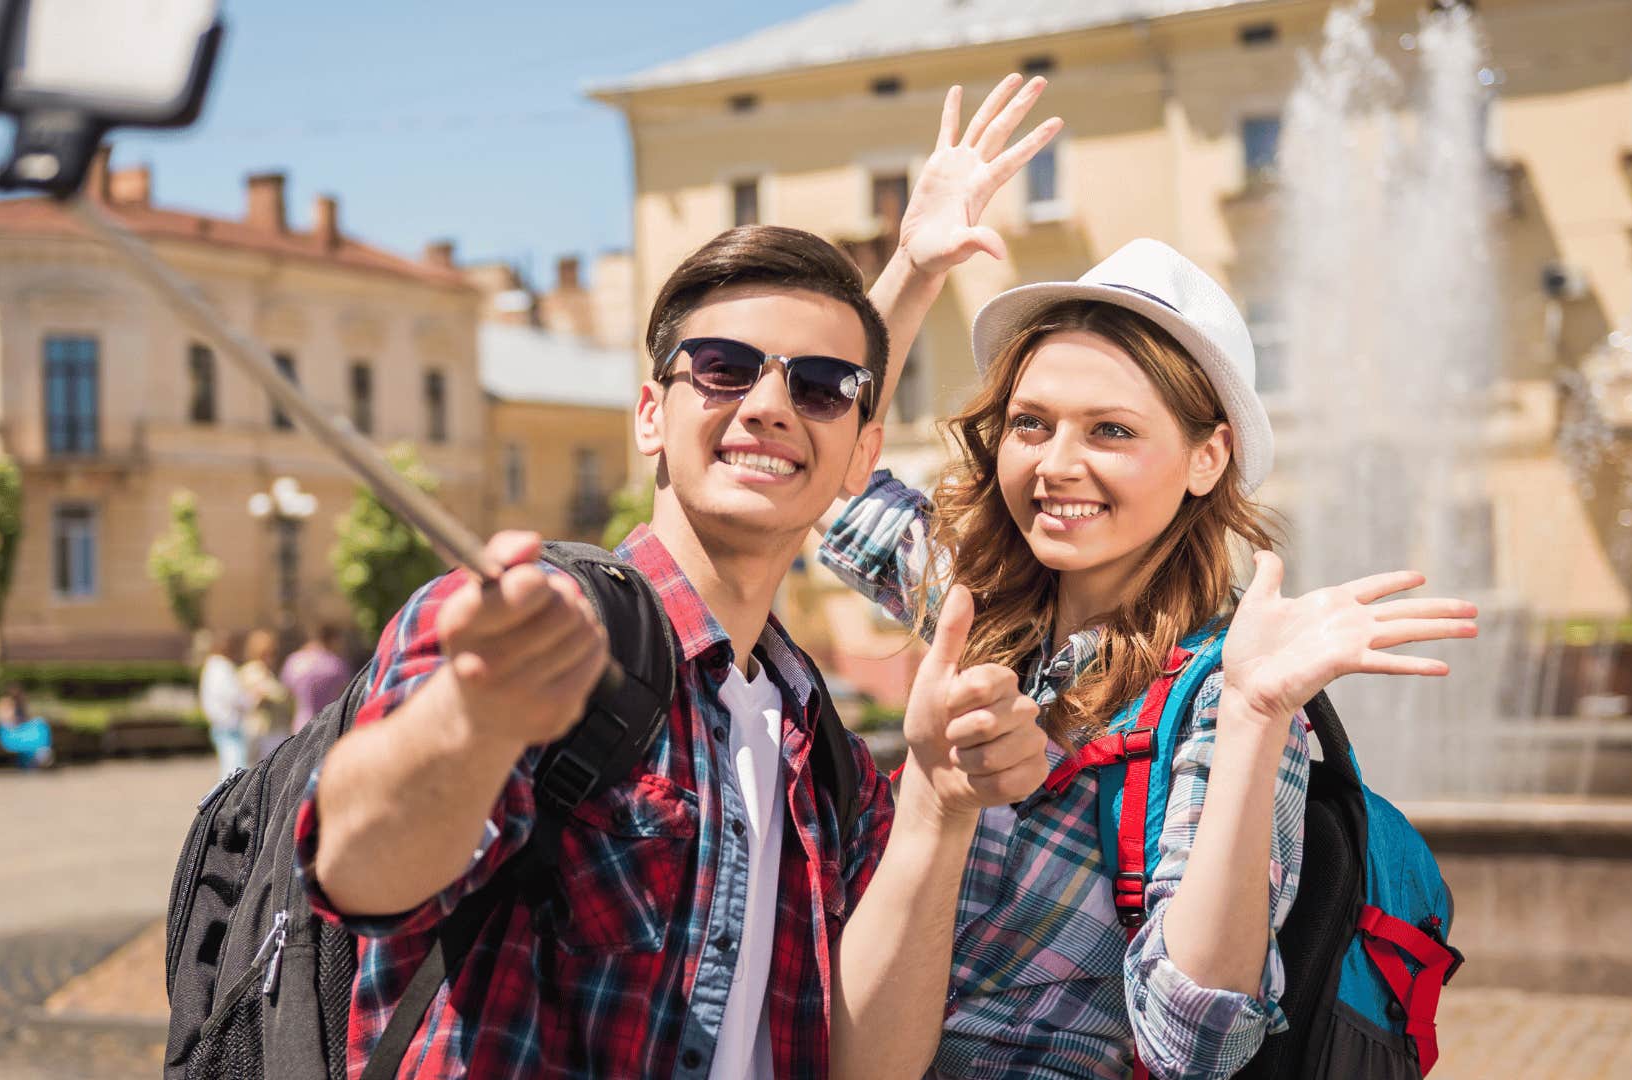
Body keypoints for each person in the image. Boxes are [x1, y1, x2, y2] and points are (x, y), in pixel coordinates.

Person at [294, 82, 1063, 1079]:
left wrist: (937, 808)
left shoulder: (818, 744)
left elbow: (868, 1063)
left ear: (860, 451)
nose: (772, 406)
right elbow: (358, 873)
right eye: (723, 368)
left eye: (820, 388)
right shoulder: (540, 624)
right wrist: (472, 719)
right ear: (652, 414)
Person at [815, 91, 1482, 1078]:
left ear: (1208, 458)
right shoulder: (978, 603)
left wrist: (1257, 716)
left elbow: (1196, 1042)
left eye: (1113, 431)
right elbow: (822, 484)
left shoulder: (1218, 688)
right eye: (1032, 422)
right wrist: (911, 270)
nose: (1056, 463)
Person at [281, 621, 355, 735]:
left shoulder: (295, 661)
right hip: (328, 726)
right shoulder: (336, 665)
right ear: (333, 640)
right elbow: (346, 695)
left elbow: (287, 694)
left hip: (300, 725)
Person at [239, 628, 294, 762]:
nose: (272, 657)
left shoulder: (266, 671)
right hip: (263, 731)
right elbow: (274, 693)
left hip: (273, 729)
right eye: (268, 653)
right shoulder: (254, 670)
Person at [199, 630, 247, 779]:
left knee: (229, 764)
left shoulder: (211, 666)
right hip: (228, 723)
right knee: (234, 767)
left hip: (219, 722)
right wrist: (251, 700)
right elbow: (233, 695)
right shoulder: (223, 667)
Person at [0, 683, 55, 770]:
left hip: (21, 731)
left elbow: (26, 719)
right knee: (37, 730)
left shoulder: (20, 703)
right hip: (11, 734)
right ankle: (41, 755)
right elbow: (8, 721)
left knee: (40, 723)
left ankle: (41, 753)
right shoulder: (5, 703)